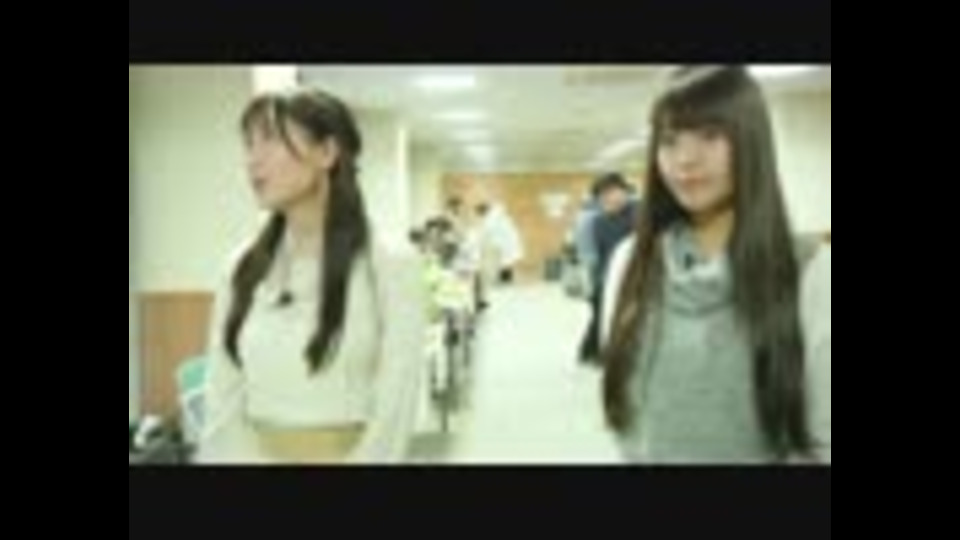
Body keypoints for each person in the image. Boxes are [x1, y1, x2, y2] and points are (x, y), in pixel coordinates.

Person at [600, 66, 831, 464]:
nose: (685, 159)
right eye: (669, 141)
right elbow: (626, 415)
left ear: (751, 142)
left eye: (710, 135)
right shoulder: (631, 261)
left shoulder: (810, 272)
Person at [197, 87, 427, 464]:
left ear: (326, 152)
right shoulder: (242, 266)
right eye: (248, 144)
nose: (253, 160)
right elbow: (222, 396)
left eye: (270, 140)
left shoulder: (390, 263)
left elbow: (396, 405)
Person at [578, 173, 639, 366]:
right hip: (605, 279)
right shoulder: (597, 221)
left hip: (635, 277)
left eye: (613, 193)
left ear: (624, 191)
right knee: (602, 316)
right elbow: (593, 255)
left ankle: (597, 352)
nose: (609, 200)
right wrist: (593, 283)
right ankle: (596, 353)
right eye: (603, 197)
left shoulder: (641, 213)